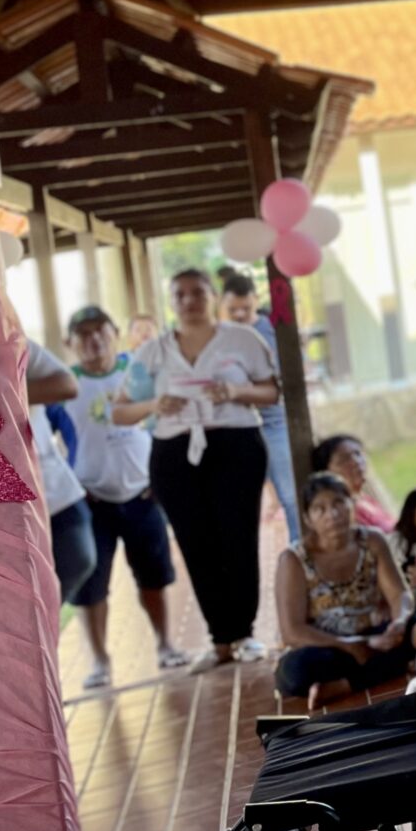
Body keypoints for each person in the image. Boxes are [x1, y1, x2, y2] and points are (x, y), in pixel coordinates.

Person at [135, 267, 280, 673]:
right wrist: (153, 406)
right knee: (196, 544)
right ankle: (219, 639)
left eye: (197, 292)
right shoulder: (155, 351)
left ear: (212, 296)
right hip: (175, 454)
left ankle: (245, 632)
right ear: (171, 301)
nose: (189, 301)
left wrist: (235, 392)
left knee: (238, 536)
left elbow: (271, 392)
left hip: (235, 445)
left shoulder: (241, 339)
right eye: (179, 294)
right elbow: (121, 409)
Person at [60, 306, 184, 688]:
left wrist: (161, 474)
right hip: (92, 499)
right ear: (70, 344)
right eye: (83, 335)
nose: (93, 340)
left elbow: (169, 414)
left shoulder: (138, 369)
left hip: (143, 493)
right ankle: (99, 661)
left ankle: (165, 645)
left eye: (100, 331)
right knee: (90, 585)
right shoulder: (63, 387)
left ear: (116, 333)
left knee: (153, 574)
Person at [274, 472, 413, 710]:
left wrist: (399, 622)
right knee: (295, 671)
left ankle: (345, 685)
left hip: (375, 639)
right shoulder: (294, 558)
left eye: (339, 503)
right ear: (308, 518)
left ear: (351, 505)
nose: (333, 514)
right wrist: (349, 645)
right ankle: (384, 669)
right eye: (321, 509)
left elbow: (400, 595)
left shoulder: (372, 540)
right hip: (328, 647)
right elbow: (292, 631)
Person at [220, 268, 300, 545]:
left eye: (246, 307)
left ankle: (300, 553)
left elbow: (274, 385)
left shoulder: (270, 329)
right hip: (234, 425)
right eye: (233, 309)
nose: (240, 314)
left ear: (255, 300)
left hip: (273, 422)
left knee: (290, 495)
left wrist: (238, 390)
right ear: (222, 306)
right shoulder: (218, 335)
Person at [28, 343, 96, 615]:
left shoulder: (10, 340)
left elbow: (67, 384)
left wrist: (3, 387)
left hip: (51, 486)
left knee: (79, 558)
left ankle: (32, 633)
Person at [310, 433, 394, 532]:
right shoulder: (342, 513)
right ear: (327, 472)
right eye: (344, 459)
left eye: (358, 454)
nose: (356, 462)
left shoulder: (366, 500)